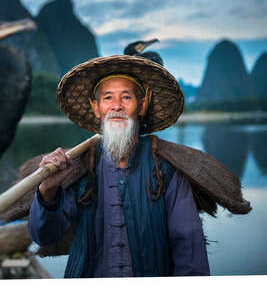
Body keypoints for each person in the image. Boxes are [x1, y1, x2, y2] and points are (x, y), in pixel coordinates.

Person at [28, 55, 210, 277]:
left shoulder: (167, 170)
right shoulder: (80, 167)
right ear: (96, 108)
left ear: (141, 106)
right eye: (107, 98)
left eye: (126, 97)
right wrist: (47, 191)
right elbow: (44, 236)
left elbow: (189, 248)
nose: (117, 106)